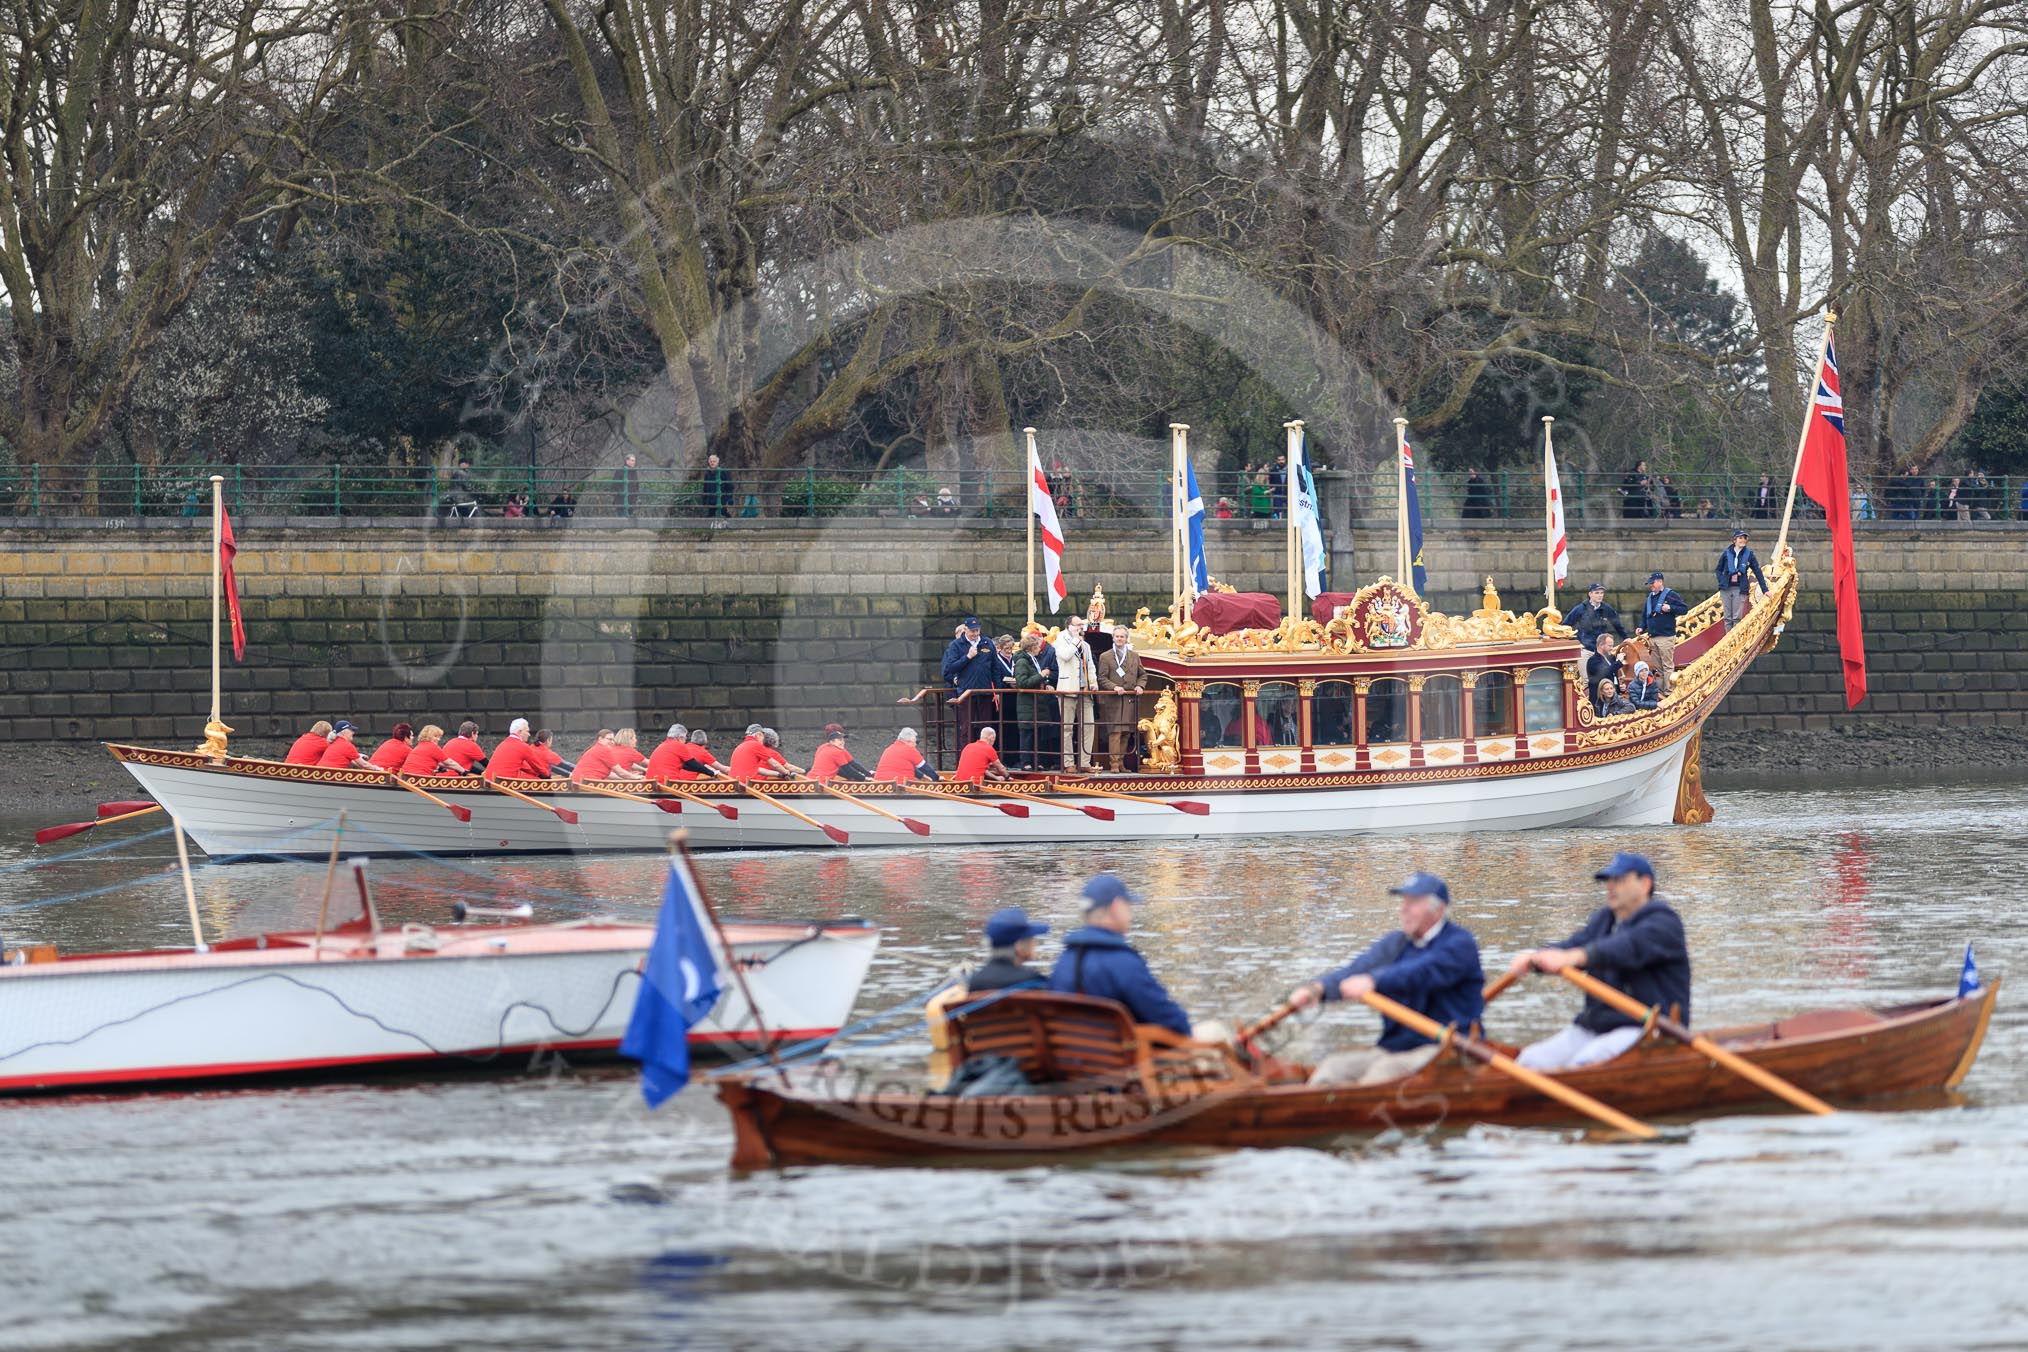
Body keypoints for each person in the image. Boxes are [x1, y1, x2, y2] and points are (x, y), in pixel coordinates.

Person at [1285, 872, 1485, 1086]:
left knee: (1384, 1072)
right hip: (1395, 1047)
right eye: (1404, 902)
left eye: (1414, 902)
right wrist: (1317, 989)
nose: (1403, 909)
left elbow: (1420, 973)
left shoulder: (1460, 944)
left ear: (1439, 909)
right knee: (1332, 1068)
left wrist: (1374, 982)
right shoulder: (1395, 944)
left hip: (1449, 1050)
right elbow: (1355, 970)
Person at [1507, 852, 1690, 1071]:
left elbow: (1625, 948)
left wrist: (1572, 957)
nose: (1611, 887)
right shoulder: (1604, 920)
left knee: (1582, 1066)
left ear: (1645, 884)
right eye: (1609, 881)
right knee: (1529, 1060)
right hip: (1597, 1024)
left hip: (1651, 1028)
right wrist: (1536, 956)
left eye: (1620, 880)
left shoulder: (1664, 923)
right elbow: (1576, 944)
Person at [1048, 874, 1192, 1038]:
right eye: (1128, 906)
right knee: (1213, 1032)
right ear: (1116, 907)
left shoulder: (1063, 961)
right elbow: (1171, 1021)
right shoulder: (1124, 963)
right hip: (1120, 1059)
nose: (1130, 914)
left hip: (1068, 1058)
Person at [941, 616, 999, 749]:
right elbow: (950, 667)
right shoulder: (956, 645)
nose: (976, 633)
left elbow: (995, 668)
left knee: (986, 727)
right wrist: (967, 657)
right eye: (972, 631)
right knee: (966, 728)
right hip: (966, 693)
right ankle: (966, 757)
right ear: (965, 630)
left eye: (977, 630)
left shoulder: (987, 643)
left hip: (985, 691)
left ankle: (986, 757)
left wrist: (997, 691)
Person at [1095, 627, 1146, 770]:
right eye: (1117, 636)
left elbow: (1143, 675)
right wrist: (1114, 687)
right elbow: (1102, 678)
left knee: (1126, 732)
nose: (1119, 639)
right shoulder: (1105, 656)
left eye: (1122, 637)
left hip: (1130, 699)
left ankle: (1122, 763)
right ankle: (1114, 764)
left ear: (1126, 639)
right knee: (1115, 732)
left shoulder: (1134, 656)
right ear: (1113, 638)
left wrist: (1140, 686)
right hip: (1114, 700)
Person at [1051, 616, 1097, 770]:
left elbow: (1090, 665)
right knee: (1067, 728)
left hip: (1085, 690)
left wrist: (1094, 683)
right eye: (1077, 625)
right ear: (1068, 626)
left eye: (1081, 625)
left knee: (1089, 725)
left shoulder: (1086, 645)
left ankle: (1085, 762)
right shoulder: (1060, 640)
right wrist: (1076, 640)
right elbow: (1065, 656)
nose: (1080, 628)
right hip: (1067, 688)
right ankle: (1068, 763)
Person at [967, 907, 1049, 992]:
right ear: (1018, 946)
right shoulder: (1034, 982)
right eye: (1031, 938)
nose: (1034, 943)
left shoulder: (974, 982)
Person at [1636, 571, 1690, 696]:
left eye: (1653, 583)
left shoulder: (1671, 595)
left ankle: (1669, 692)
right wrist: (1641, 627)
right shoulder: (1649, 598)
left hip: (1666, 637)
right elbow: (1645, 615)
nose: (1651, 586)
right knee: (1658, 668)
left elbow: (1684, 609)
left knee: (1667, 666)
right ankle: (1660, 691)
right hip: (1652, 637)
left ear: (1660, 582)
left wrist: (1670, 608)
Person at [1010, 631, 1052, 772]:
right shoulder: (1022, 661)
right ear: (1031, 647)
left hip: (1037, 703)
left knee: (1037, 734)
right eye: (1037, 646)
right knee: (1027, 734)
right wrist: (1041, 675)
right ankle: (1026, 762)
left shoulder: (1033, 660)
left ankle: (1036, 761)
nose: (1039, 648)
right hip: (1028, 704)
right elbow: (1022, 682)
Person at [1714, 528, 1768, 626]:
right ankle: (1728, 640)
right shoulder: (1727, 553)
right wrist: (1721, 580)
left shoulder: (1749, 554)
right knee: (1727, 617)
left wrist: (1765, 590)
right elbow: (1718, 569)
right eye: (1740, 538)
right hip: (1726, 587)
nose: (1743, 540)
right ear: (1734, 540)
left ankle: (1735, 641)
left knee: (1736, 617)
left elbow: (1757, 571)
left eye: (1744, 538)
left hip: (1740, 588)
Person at [1561, 583, 1627, 652]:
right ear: (1590, 594)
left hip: (1601, 650)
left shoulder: (1607, 608)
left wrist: (1626, 638)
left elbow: (1618, 625)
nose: (1600, 595)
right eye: (1597, 593)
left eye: (1601, 593)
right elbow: (1565, 626)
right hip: (1585, 650)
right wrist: (1569, 643)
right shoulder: (1580, 609)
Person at [729, 726, 802, 782]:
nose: (763, 740)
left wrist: (779, 774)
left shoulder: (740, 746)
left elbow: (757, 769)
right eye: (763, 737)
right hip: (747, 783)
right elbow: (775, 764)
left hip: (734, 782)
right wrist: (786, 772)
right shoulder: (756, 745)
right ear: (759, 735)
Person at [873, 726, 941, 781]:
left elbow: (901, 767)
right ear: (908, 742)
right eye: (914, 742)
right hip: (899, 785)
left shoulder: (889, 749)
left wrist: (922, 776)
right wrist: (937, 778)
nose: (915, 745)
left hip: (879, 784)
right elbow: (924, 767)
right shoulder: (910, 749)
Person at [1584, 633, 1623, 702]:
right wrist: (1618, 662)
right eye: (1610, 646)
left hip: (1614, 698)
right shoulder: (1593, 661)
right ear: (1601, 645)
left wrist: (1618, 687)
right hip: (1599, 700)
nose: (1612, 648)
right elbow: (1605, 672)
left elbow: (1613, 675)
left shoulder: (1611, 658)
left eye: (1612, 646)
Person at [702, 453, 732, 518]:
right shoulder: (707, 473)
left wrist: (729, 497)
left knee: (723, 513)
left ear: (717, 462)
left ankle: (729, 525)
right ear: (709, 462)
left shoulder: (723, 472)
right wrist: (704, 499)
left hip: (721, 498)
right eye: (711, 461)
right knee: (710, 514)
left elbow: (729, 485)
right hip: (711, 499)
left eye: (714, 461)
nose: (712, 463)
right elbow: (705, 487)